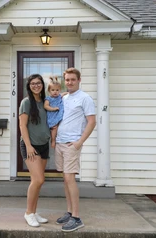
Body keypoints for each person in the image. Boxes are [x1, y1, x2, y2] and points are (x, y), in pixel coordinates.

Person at [55, 68, 96, 232]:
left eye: (73, 79)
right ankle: (70, 211)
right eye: (67, 79)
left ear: (79, 80)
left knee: (70, 179)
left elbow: (92, 122)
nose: (70, 82)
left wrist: (79, 142)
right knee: (66, 179)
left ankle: (77, 217)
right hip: (60, 142)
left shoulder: (85, 98)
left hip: (72, 144)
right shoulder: (65, 97)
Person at [19, 74, 51, 227]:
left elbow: (60, 96)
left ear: (42, 85)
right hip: (30, 146)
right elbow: (22, 126)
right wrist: (29, 145)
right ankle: (28, 213)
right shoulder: (26, 102)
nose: (36, 86)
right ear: (29, 86)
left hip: (44, 145)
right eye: (32, 83)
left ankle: (34, 211)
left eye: (38, 83)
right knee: (38, 179)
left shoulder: (45, 102)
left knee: (37, 182)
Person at [44, 77, 64, 148]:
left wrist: (69, 93)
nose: (55, 92)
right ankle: (53, 140)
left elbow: (64, 93)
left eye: (57, 90)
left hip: (58, 115)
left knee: (59, 127)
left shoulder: (59, 96)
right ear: (49, 91)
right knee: (54, 128)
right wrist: (53, 108)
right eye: (53, 90)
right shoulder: (48, 99)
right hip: (52, 116)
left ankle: (58, 140)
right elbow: (46, 106)